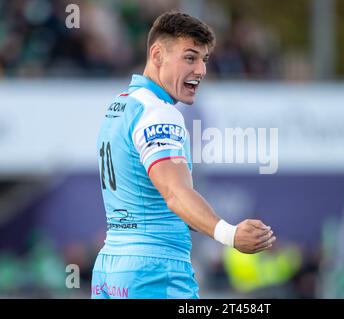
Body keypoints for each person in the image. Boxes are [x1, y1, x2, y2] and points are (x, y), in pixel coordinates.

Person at [91, 11, 276, 299]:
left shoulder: (121, 106)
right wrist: (230, 234)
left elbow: (161, 199)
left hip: (111, 267)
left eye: (204, 59)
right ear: (157, 55)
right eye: (190, 58)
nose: (201, 70)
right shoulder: (159, 113)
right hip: (154, 270)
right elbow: (175, 194)